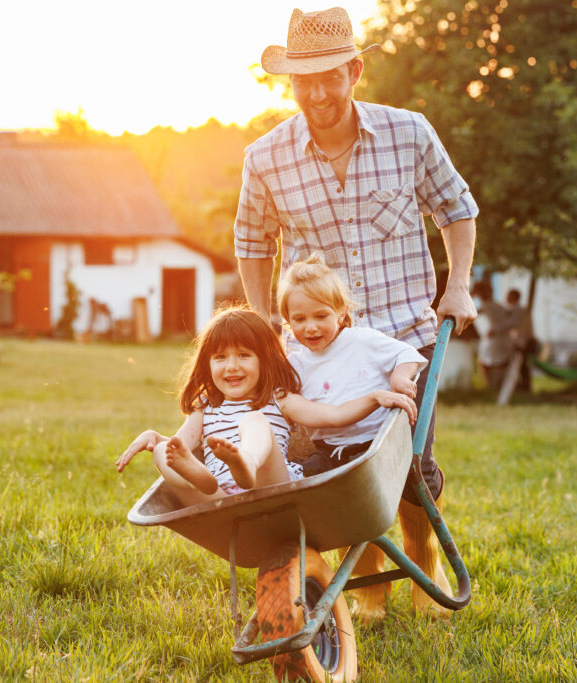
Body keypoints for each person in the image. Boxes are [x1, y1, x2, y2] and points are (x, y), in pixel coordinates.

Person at [233, 6, 480, 618]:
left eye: (329, 76)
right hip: (317, 346)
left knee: (408, 469)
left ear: (355, 71)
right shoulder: (266, 157)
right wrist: (266, 320)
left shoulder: (408, 133)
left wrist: (458, 285)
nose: (317, 93)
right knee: (327, 465)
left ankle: (419, 565)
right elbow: (252, 242)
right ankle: (357, 588)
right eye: (303, 80)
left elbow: (456, 208)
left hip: (403, 336)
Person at [278, 255, 452, 621]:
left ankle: (426, 574)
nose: (310, 327)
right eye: (299, 319)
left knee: (415, 477)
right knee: (320, 495)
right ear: (288, 321)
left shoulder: (362, 341)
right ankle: (368, 593)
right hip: (331, 451)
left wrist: (400, 378)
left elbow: (406, 354)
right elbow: (279, 395)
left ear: (341, 313)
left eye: (321, 316)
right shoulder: (295, 362)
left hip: (378, 446)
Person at [115, 306, 416, 508]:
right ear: (207, 364)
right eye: (220, 358)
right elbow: (180, 446)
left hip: (271, 488)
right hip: (218, 499)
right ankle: (200, 477)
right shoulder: (205, 406)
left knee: (254, 422)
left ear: (264, 359)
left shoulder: (279, 397)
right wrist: (157, 440)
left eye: (244, 355)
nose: (231, 367)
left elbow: (333, 416)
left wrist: (375, 397)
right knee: (162, 452)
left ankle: (245, 461)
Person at [473, 280, 515, 392]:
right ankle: (495, 387)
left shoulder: (491, 306)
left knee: (489, 364)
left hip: (494, 340)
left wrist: (495, 330)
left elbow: (507, 323)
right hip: (496, 340)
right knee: (493, 364)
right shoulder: (495, 306)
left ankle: (493, 387)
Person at [506, 289, 535, 392]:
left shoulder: (518, 310)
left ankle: (524, 386)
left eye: (509, 296)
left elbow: (513, 325)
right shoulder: (518, 310)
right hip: (521, 341)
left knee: (522, 366)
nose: (506, 298)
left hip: (521, 342)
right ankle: (522, 385)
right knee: (522, 366)